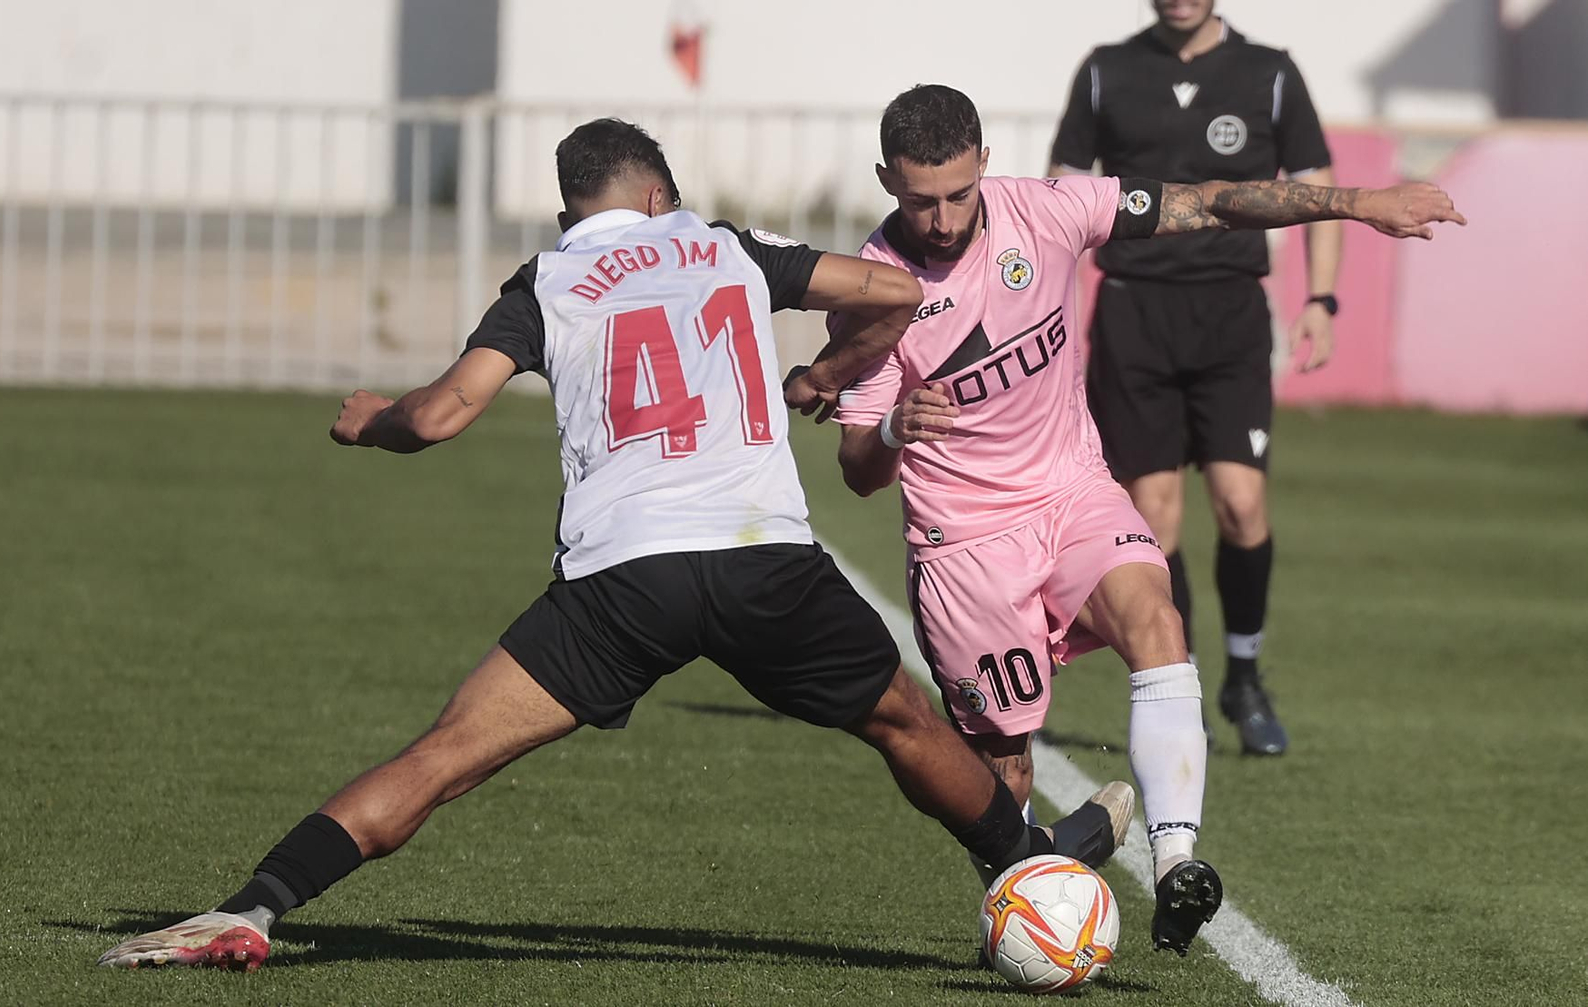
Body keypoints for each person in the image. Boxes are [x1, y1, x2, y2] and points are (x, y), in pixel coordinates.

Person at [95, 118, 1135, 972]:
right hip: (761, 558)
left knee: (444, 755)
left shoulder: (546, 278)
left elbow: (444, 414)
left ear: (570, 215)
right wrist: (825, 375)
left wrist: (372, 422)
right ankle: (1026, 857)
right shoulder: (723, 245)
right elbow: (896, 292)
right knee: (903, 718)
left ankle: (253, 907)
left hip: (623, 577)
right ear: (659, 194)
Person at [830, 84, 1461, 953]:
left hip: (1071, 492)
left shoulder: (1050, 211)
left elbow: (1210, 203)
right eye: (918, 201)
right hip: (965, 543)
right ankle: (1036, 876)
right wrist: (895, 429)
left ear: (985, 163)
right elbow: (858, 469)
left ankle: (1175, 866)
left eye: (958, 194)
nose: (941, 220)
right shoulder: (872, 291)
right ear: (885, 181)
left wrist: (1358, 203)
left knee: (1158, 620)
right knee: (1002, 769)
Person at [1048, 0, 1340, 755]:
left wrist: (1321, 299)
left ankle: (1246, 675)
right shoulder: (1106, 71)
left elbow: (1316, 186)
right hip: (1133, 314)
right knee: (1155, 516)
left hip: (1231, 314)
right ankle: (1185, 684)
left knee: (1242, 503)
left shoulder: (1270, 72)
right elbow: (1059, 200)